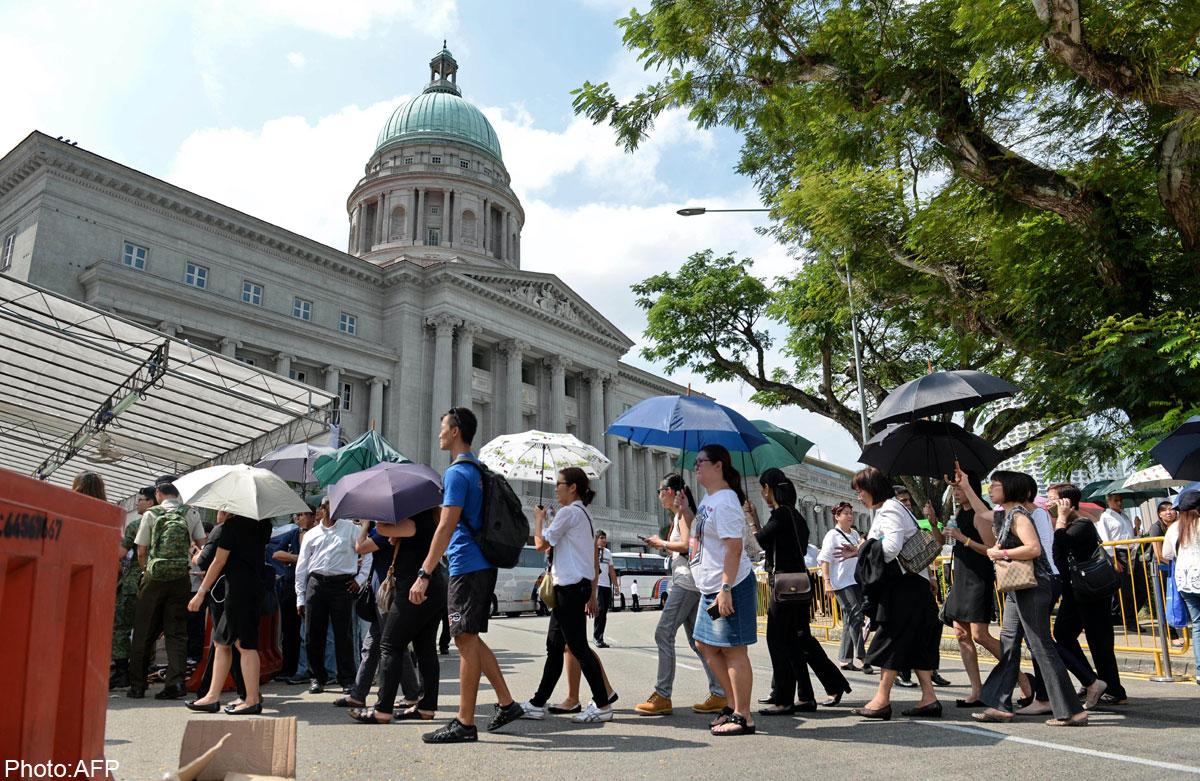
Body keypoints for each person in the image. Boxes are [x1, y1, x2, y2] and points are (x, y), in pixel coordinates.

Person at [410, 407, 523, 743]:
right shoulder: (477, 469)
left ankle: (465, 722)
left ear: (456, 430)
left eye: (443, 427)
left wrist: (424, 572)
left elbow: (445, 526)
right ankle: (506, 702)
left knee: (464, 639)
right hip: (479, 563)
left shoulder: (457, 474)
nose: (439, 433)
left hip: (467, 564)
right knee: (467, 636)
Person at [952, 467, 1087, 727]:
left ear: (1011, 489)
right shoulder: (1004, 513)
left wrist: (1000, 554)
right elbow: (981, 512)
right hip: (1017, 588)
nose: (990, 490)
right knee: (1009, 643)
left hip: (1033, 587)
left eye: (995, 486)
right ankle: (1000, 705)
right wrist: (966, 484)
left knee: (1041, 645)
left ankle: (1072, 710)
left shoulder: (1019, 516)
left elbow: (1033, 549)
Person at [841, 468, 942, 720]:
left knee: (891, 638)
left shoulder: (889, 509)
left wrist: (866, 549)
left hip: (904, 587)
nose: (859, 498)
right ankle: (929, 698)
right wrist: (861, 550)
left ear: (871, 490)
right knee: (915, 641)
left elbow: (891, 548)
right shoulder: (895, 507)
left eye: (860, 492)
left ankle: (881, 700)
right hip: (911, 585)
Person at [671, 444, 758, 736]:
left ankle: (744, 716)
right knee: (705, 645)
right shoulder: (710, 500)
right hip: (710, 586)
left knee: (734, 650)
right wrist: (684, 511)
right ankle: (732, 706)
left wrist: (725, 588)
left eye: (701, 462)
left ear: (718, 465)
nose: (696, 467)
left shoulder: (727, 501)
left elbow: (734, 549)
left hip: (731, 585)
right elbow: (698, 539)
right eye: (694, 463)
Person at [748, 468, 849, 716]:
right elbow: (776, 542)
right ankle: (806, 696)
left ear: (768, 489)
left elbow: (758, 541)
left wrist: (751, 519)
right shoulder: (794, 516)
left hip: (783, 585)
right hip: (800, 584)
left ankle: (784, 699)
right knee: (795, 640)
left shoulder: (781, 514)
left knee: (779, 641)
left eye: (763, 488)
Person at [518, 468, 614, 723]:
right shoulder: (584, 514)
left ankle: (603, 705)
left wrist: (538, 519)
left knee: (579, 648)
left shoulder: (570, 512)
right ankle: (538, 702)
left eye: (559, 484)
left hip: (569, 588)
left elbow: (541, 544)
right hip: (575, 586)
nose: (555, 488)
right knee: (554, 646)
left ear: (573, 487)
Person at [638, 472, 728, 717]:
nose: (658, 496)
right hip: (689, 583)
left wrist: (662, 544)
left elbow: (690, 547)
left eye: (660, 490)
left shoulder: (685, 515)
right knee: (696, 641)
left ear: (669, 491)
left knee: (663, 633)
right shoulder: (680, 515)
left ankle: (662, 694)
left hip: (686, 583)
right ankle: (720, 692)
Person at [348, 507, 448, 724]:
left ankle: (382, 710)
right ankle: (426, 707)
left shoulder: (415, 519)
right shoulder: (429, 517)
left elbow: (381, 529)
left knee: (390, 646)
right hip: (433, 587)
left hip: (414, 589)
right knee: (425, 649)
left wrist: (377, 519)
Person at [185, 510, 272, 714]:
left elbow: (218, 561)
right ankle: (212, 696)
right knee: (222, 642)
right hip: (252, 588)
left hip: (237, 590)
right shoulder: (263, 526)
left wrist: (201, 592)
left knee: (244, 644)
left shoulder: (231, 527)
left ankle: (251, 700)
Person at [128, 479, 207, 700]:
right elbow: (203, 544)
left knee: (143, 631)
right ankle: (175, 684)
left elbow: (141, 550)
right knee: (177, 632)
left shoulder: (151, 514)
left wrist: (146, 570)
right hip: (181, 578)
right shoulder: (190, 514)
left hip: (154, 577)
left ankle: (137, 685)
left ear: (159, 493)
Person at [1049, 483, 1122, 709]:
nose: (1049, 503)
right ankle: (1090, 680)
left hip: (1092, 593)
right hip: (1074, 593)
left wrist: (1060, 519)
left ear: (1067, 503)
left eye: (1053, 499)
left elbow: (1062, 541)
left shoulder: (1083, 525)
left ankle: (1114, 689)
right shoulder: (1066, 525)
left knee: (1099, 642)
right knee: (1062, 634)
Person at [938, 473, 1008, 708]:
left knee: (980, 635)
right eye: (954, 490)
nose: (955, 494)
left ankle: (1022, 680)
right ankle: (976, 690)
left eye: (959, 489)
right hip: (961, 575)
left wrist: (963, 538)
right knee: (961, 633)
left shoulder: (981, 513)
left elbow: (990, 549)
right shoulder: (959, 513)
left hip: (978, 576)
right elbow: (944, 542)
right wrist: (938, 525)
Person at [295, 497, 371, 695]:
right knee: (314, 633)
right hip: (316, 584)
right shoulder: (312, 534)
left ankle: (346, 678)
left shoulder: (352, 529)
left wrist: (360, 579)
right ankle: (316, 677)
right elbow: (302, 567)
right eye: (329, 504)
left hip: (342, 584)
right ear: (323, 508)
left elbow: (368, 554)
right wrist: (300, 597)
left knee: (343, 633)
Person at [342, 521, 421, 710]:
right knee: (371, 646)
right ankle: (358, 695)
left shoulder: (389, 527)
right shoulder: (385, 528)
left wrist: (365, 525)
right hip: (382, 593)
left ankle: (411, 695)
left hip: (389, 594)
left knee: (394, 645)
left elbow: (360, 547)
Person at [190, 511, 246, 711]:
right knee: (237, 644)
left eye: (221, 510)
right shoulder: (257, 528)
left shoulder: (223, 530)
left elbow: (212, 561)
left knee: (223, 643)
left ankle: (211, 693)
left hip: (222, 592)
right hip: (245, 591)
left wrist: (196, 554)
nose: (217, 514)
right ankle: (246, 693)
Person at [110, 486, 155, 689]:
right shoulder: (170, 522)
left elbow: (120, 554)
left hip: (134, 581)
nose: (137, 503)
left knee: (121, 627)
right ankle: (142, 672)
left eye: (141, 499)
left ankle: (121, 672)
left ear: (151, 502)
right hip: (159, 581)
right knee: (148, 630)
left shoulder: (136, 525)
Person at [818, 501, 869, 674]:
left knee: (849, 620)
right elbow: (824, 559)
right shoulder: (832, 535)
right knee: (856, 615)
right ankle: (863, 657)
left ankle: (845, 660)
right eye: (845, 513)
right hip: (841, 582)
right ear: (837, 517)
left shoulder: (854, 533)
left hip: (856, 580)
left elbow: (863, 549)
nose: (849, 515)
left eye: (850, 512)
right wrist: (827, 582)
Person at [266, 507, 311, 684]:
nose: (298, 517)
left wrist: (291, 558)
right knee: (290, 629)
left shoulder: (317, 534)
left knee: (308, 631)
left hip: (310, 585)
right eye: (297, 515)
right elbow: (277, 554)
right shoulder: (292, 535)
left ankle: (308, 668)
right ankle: (289, 668)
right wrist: (299, 558)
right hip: (289, 585)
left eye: (302, 514)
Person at [1160, 490, 1200, 685]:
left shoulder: (1175, 528)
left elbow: (1167, 553)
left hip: (1184, 581)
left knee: (1198, 626)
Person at [1148, 501, 1182, 646]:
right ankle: (1171, 635)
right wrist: (1177, 565)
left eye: (1171, 509)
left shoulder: (1180, 525)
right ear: (1159, 514)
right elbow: (1160, 554)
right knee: (1167, 601)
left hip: (1179, 568)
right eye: (1164, 510)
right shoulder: (1156, 528)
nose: (1169, 512)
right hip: (1162, 569)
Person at [593, 531, 616, 647]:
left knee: (604, 613)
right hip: (597, 585)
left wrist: (616, 586)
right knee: (600, 610)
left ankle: (600, 637)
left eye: (605, 538)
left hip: (607, 586)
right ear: (596, 539)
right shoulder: (592, 551)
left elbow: (611, 570)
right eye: (601, 538)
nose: (603, 540)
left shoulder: (608, 553)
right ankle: (596, 637)